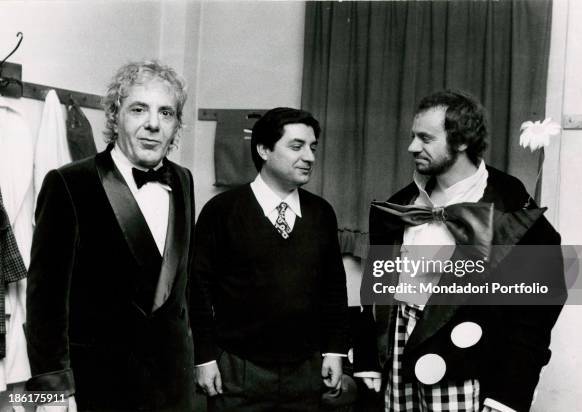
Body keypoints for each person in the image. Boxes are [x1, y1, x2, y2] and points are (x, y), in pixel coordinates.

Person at [354, 90, 566, 412]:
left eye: (425, 138)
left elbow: (535, 313)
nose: (412, 147)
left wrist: (508, 394)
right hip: (397, 356)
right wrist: (368, 355)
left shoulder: (513, 212)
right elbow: (376, 289)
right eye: (413, 137)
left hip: (466, 366)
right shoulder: (398, 206)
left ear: (462, 140)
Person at [25, 60, 195, 412]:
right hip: (98, 385)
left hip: (172, 386)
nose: (153, 123)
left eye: (166, 113)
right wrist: (53, 391)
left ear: (177, 125)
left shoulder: (183, 180)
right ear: (115, 115)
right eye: (139, 109)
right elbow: (46, 301)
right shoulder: (69, 183)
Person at [189, 107, 349, 411]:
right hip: (236, 372)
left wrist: (335, 350)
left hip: (305, 372)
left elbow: (334, 288)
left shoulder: (321, 213)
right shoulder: (221, 211)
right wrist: (205, 357)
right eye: (296, 146)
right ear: (263, 149)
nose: (310, 157)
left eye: (313, 147)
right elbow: (197, 289)